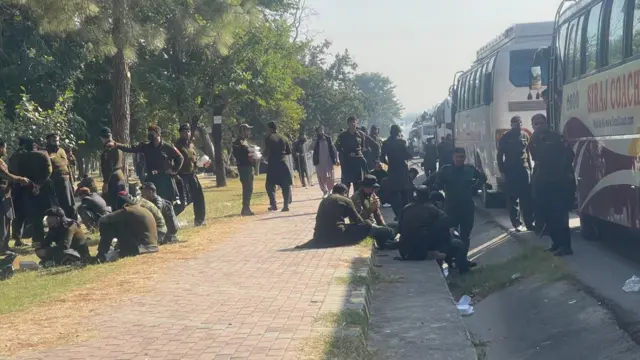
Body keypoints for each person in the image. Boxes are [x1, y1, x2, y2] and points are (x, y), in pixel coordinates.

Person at [424, 147, 487, 268]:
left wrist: (475, 187)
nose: (460, 159)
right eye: (457, 157)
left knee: (465, 236)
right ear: (453, 157)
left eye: (462, 157)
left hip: (467, 208)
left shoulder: (470, 169)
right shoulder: (445, 170)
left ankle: (462, 261)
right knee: (449, 235)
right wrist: (434, 191)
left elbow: (483, 177)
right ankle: (450, 261)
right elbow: (435, 182)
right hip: (451, 208)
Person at [529, 114, 576, 256]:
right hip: (542, 182)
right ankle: (556, 243)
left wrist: (562, 170)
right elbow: (535, 158)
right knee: (547, 215)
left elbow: (569, 155)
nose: (538, 126)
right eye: (535, 124)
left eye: (540, 123)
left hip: (557, 182)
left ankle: (565, 246)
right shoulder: (534, 139)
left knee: (559, 216)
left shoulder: (557, 138)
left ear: (546, 123)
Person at [395, 186, 469, 273]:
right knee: (456, 242)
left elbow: (399, 229)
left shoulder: (406, 208)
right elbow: (447, 224)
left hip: (405, 251)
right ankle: (455, 266)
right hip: (422, 251)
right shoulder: (433, 210)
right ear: (428, 196)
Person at [311, 183, 395, 248]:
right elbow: (358, 220)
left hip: (319, 236)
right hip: (337, 236)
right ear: (345, 192)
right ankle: (388, 233)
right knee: (368, 224)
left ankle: (384, 238)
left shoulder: (324, 201)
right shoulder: (345, 200)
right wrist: (370, 210)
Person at [116, 125, 184, 203]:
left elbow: (180, 157)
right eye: (149, 133)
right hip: (152, 180)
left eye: (152, 133)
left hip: (165, 180)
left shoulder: (168, 147)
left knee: (167, 204)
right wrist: (117, 145)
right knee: (151, 203)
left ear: (158, 134)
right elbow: (131, 148)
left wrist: (174, 169)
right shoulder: (145, 146)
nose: (150, 135)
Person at [12, 137, 56, 247]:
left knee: (35, 215)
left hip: (27, 188)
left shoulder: (19, 157)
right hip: (45, 187)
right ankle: (55, 236)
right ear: (35, 145)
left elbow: (16, 172)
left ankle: (37, 239)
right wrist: (39, 184)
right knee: (52, 212)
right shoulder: (43, 154)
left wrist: (32, 185)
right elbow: (49, 170)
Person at [96, 191, 159, 262]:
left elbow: (103, 219)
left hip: (140, 248)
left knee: (108, 225)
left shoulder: (127, 210)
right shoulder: (140, 209)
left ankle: (102, 254)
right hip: (153, 246)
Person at [497, 116, 534, 231]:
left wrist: (530, 168)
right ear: (511, 124)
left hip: (524, 169)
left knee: (527, 197)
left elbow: (527, 152)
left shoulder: (525, 136)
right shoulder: (505, 137)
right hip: (511, 170)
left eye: (519, 123)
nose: (517, 125)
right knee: (513, 198)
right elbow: (499, 155)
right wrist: (502, 171)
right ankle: (516, 223)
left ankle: (529, 223)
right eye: (515, 123)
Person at [0, 141, 31, 253]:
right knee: (2, 221)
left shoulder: (2, 161)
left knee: (7, 220)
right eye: (5, 148)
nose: (6, 150)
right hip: (1, 195)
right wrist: (20, 179)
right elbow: (5, 175)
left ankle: (5, 245)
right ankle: (1, 247)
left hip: (6, 194)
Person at [174, 123, 206, 226]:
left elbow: (193, 160)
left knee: (199, 197)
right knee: (184, 200)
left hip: (192, 175)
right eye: (183, 132)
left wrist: (201, 164)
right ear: (180, 133)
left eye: (188, 131)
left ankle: (199, 220)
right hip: (182, 176)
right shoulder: (177, 146)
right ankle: (169, 218)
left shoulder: (191, 145)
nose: (186, 134)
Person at [380, 125, 413, 219]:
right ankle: (406, 214)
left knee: (394, 193)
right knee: (405, 193)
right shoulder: (401, 142)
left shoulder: (385, 143)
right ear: (398, 132)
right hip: (402, 169)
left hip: (392, 170)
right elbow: (409, 155)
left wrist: (389, 163)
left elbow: (382, 158)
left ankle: (398, 214)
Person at [45, 133, 76, 220]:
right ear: (48, 141)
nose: (56, 142)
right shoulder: (46, 153)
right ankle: (63, 222)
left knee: (71, 204)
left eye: (57, 140)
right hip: (55, 182)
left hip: (66, 181)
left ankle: (72, 222)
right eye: (54, 141)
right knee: (60, 205)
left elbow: (68, 167)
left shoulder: (62, 151)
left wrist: (72, 182)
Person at [264, 121, 293, 212]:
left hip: (273, 164)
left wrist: (261, 156)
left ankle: (273, 204)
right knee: (285, 185)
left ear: (270, 128)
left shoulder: (269, 138)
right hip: (283, 164)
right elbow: (288, 152)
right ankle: (285, 205)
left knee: (269, 184)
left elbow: (267, 151)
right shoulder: (284, 138)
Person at [335, 117, 368, 193]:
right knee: (345, 186)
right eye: (351, 122)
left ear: (356, 123)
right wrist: (345, 154)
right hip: (347, 162)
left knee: (358, 186)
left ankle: (356, 202)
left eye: (354, 122)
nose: (353, 124)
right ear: (348, 124)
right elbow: (337, 146)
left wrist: (358, 153)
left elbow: (363, 146)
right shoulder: (342, 135)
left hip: (358, 163)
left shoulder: (360, 134)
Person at [99, 127, 126, 209]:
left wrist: (106, 183)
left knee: (114, 204)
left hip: (113, 178)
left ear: (102, 137)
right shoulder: (117, 145)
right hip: (120, 176)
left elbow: (108, 167)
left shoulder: (109, 148)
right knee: (121, 203)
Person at [232, 124, 256, 216]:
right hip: (244, 167)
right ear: (242, 131)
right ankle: (245, 208)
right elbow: (238, 155)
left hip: (249, 167)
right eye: (247, 130)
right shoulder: (238, 142)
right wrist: (248, 154)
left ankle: (246, 207)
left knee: (249, 188)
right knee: (247, 187)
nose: (249, 132)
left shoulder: (245, 142)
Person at [312, 125, 337, 198]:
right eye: (319, 130)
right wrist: (314, 141)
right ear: (317, 132)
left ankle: (330, 190)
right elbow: (310, 148)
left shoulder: (328, 139)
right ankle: (325, 191)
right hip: (319, 162)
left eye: (322, 130)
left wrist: (336, 158)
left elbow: (333, 149)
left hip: (328, 161)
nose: (321, 131)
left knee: (330, 176)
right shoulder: (315, 140)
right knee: (320, 177)